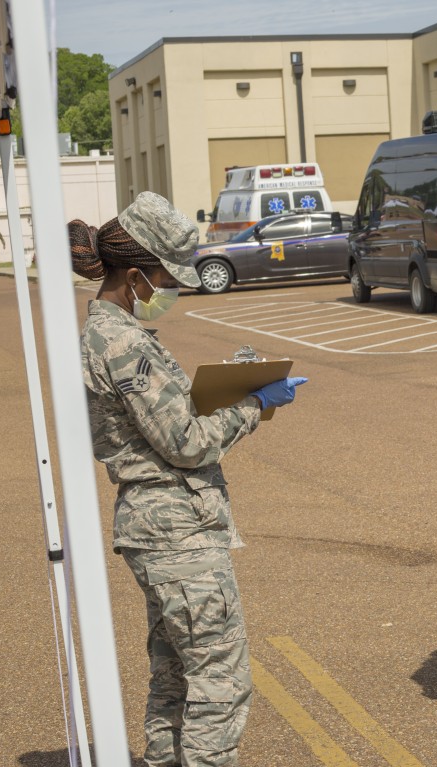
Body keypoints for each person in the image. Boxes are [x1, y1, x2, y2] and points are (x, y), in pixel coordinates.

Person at [71, 191, 307, 767]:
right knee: (220, 684)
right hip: (176, 530)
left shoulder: (115, 331)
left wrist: (234, 381)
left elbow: (173, 414)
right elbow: (185, 442)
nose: (170, 291)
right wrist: (253, 404)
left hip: (159, 527)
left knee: (175, 676)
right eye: (164, 278)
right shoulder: (124, 342)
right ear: (134, 277)